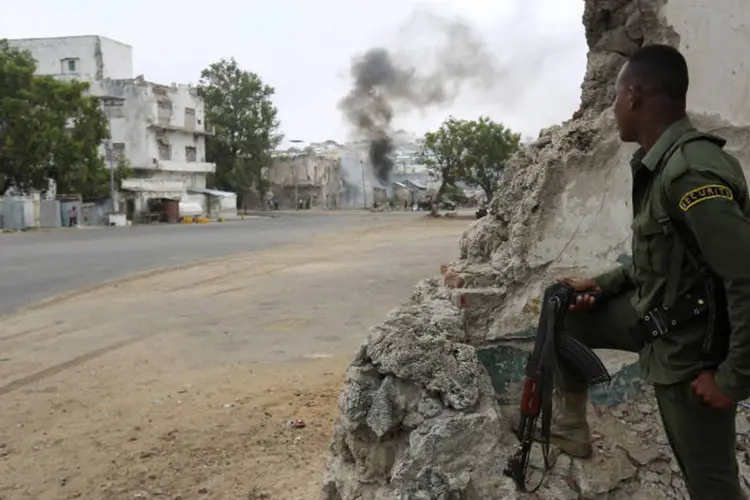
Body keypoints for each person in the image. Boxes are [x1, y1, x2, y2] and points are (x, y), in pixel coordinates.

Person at [545, 44, 750, 499]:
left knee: (712, 487)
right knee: (565, 314)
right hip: (661, 326)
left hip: (692, 356)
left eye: (615, 98)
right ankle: (570, 427)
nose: (613, 110)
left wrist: (733, 379)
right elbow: (663, 259)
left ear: (635, 96)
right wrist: (601, 284)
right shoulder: (661, 163)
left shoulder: (689, 171)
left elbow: (745, 276)